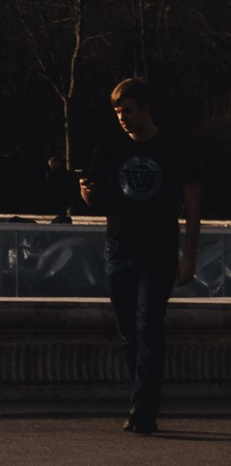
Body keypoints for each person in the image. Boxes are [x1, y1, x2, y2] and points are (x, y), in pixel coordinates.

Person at [76, 76, 204, 435]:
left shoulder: (174, 147)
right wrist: (86, 192)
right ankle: (141, 399)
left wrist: (189, 255)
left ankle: (142, 409)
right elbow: (98, 203)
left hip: (158, 252)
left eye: (128, 110)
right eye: (117, 111)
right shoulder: (110, 148)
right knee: (128, 334)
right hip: (118, 250)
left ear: (146, 108)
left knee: (148, 330)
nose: (122, 117)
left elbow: (193, 201)